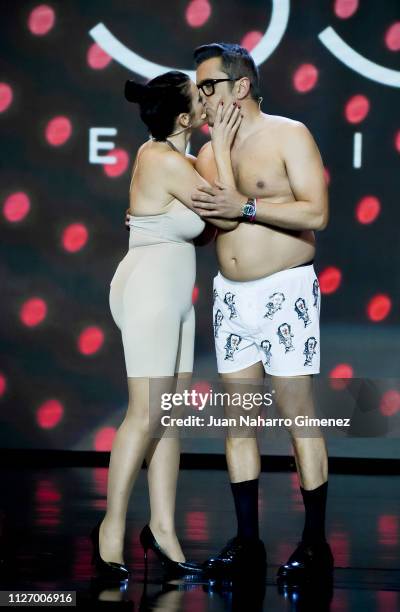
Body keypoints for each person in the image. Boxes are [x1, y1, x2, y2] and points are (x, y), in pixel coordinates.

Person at [190, 43, 333, 586]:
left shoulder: (287, 133)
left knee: (300, 416)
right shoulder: (207, 154)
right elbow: (211, 226)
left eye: (208, 86)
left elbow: (316, 211)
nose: (200, 97)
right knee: (239, 424)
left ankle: (315, 544)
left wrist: (246, 207)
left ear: (239, 87)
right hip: (230, 296)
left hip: (285, 290)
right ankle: (247, 542)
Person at [90, 69, 242, 582]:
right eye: (197, 99)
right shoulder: (159, 158)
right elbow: (226, 208)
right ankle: (110, 532)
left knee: (168, 417)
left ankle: (163, 530)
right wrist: (220, 143)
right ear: (184, 118)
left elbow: (203, 225)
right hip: (152, 288)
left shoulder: (176, 161)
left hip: (174, 290)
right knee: (145, 413)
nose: (206, 101)